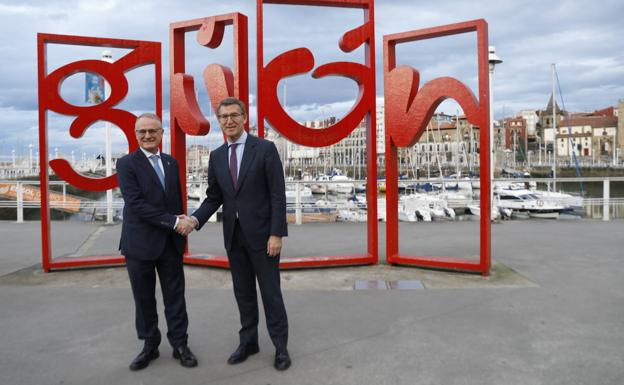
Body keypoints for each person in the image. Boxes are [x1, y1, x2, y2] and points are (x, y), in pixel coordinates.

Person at [177, 97, 291, 371]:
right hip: (234, 237)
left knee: (271, 294)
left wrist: (277, 234)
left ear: (244, 118)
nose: (229, 120)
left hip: (264, 238)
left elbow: (277, 195)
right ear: (219, 121)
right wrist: (194, 219)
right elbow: (214, 197)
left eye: (234, 115)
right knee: (243, 294)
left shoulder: (264, 149)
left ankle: (281, 347)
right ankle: (249, 342)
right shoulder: (216, 156)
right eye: (223, 116)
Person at [117, 113, 198, 371]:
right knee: (144, 299)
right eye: (142, 132)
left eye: (153, 131)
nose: (148, 135)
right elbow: (136, 204)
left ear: (161, 133)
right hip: (139, 245)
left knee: (175, 297)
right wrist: (175, 222)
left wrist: (182, 220)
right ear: (135, 134)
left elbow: (174, 201)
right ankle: (149, 345)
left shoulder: (171, 163)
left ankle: (180, 344)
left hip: (169, 245)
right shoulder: (126, 164)